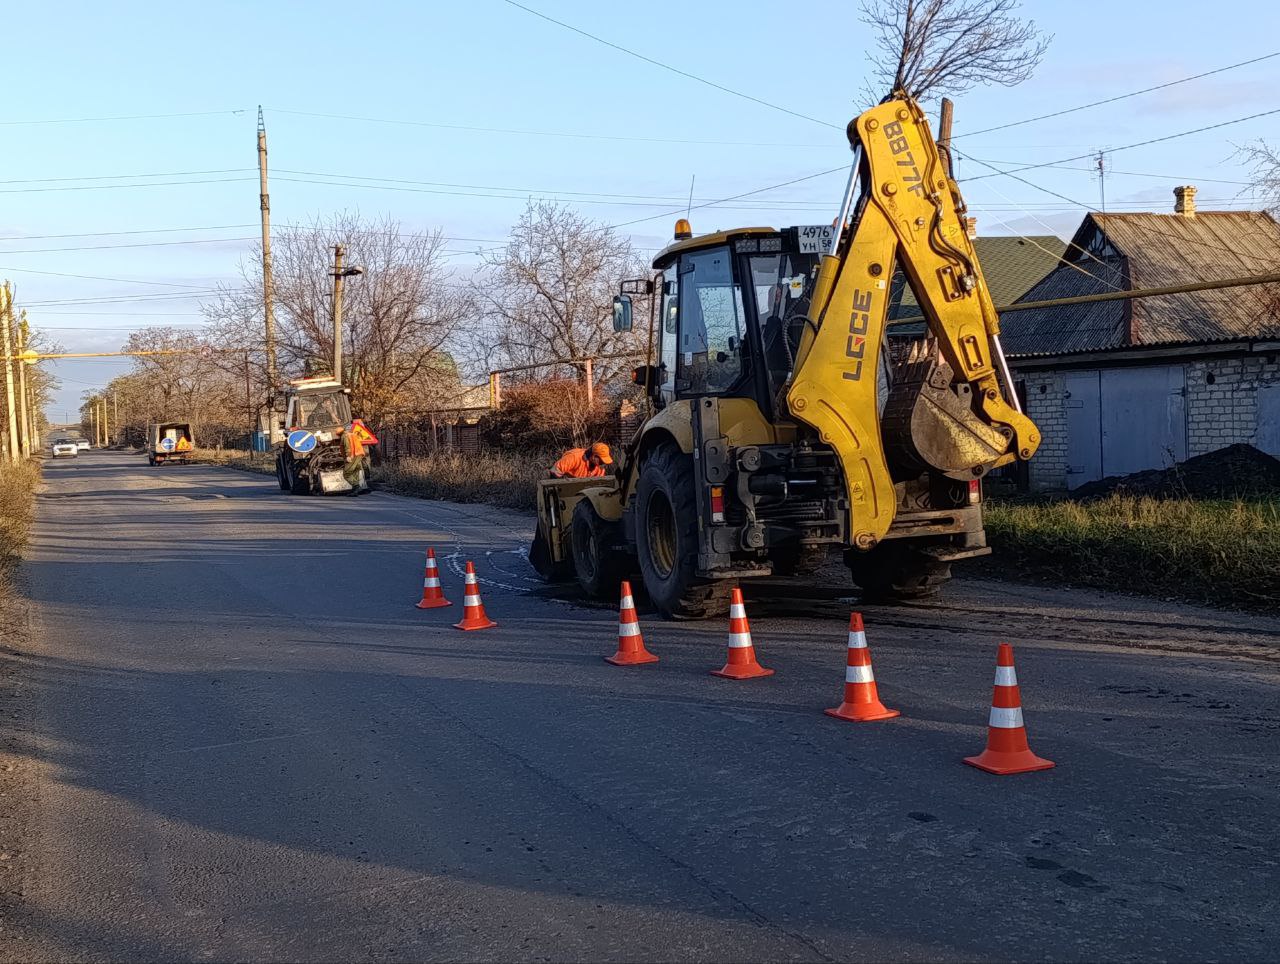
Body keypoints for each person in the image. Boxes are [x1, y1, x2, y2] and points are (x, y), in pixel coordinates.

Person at [338, 425, 370, 494]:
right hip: (359, 454)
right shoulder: (353, 434)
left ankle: (356, 486)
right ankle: (355, 491)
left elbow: (347, 447)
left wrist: (348, 456)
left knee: (346, 473)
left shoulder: (345, 436)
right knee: (355, 471)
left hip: (353, 455)